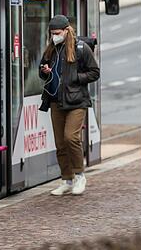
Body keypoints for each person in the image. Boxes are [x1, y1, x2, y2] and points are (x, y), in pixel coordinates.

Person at [39, 15, 100, 196]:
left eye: (57, 33)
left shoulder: (81, 48)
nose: (54, 36)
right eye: (52, 33)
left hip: (76, 101)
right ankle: (66, 179)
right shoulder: (51, 49)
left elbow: (94, 72)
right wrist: (45, 71)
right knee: (60, 143)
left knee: (70, 137)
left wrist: (75, 78)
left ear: (66, 31)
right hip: (56, 100)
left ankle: (80, 175)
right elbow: (42, 73)